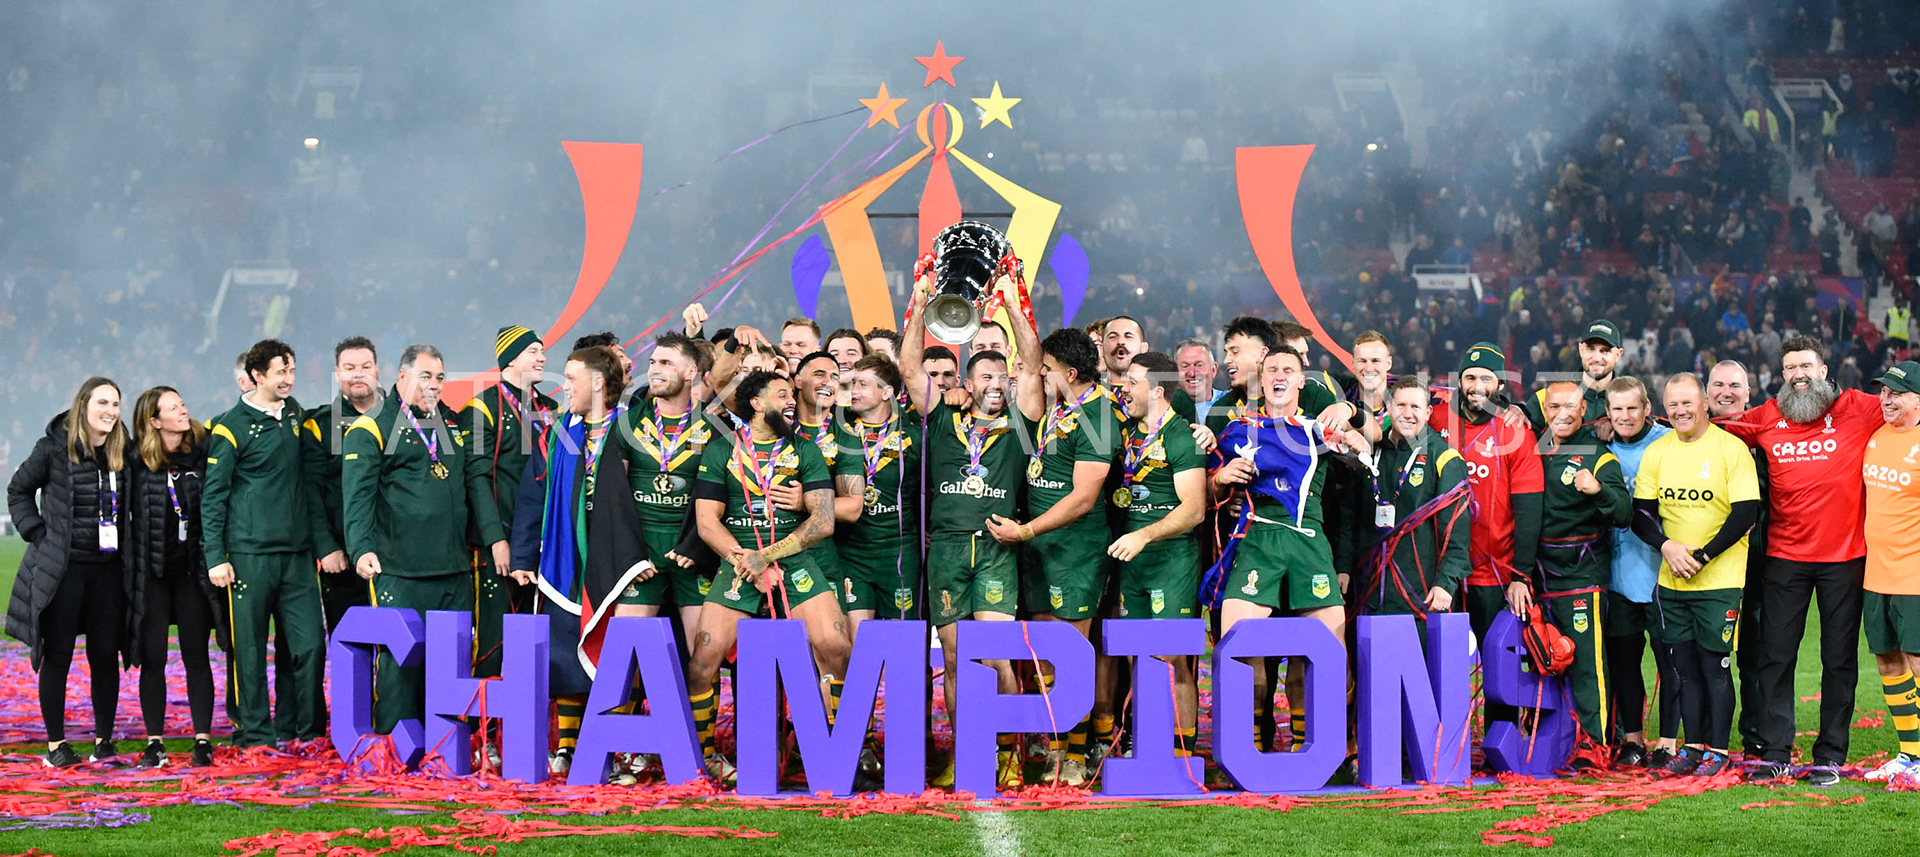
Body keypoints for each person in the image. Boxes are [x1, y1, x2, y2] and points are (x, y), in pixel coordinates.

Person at [1716, 337, 1880, 784]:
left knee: (1839, 659)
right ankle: (1774, 752)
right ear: (1782, 374)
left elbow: (1905, 407)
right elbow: (1712, 428)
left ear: (1824, 370)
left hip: (1845, 558)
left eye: (1806, 365)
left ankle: (1829, 755)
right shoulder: (1768, 415)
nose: (1798, 374)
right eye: (1790, 368)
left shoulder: (1858, 408)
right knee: (1776, 656)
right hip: (1784, 559)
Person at [901, 270, 1037, 791]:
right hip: (947, 548)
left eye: (1003, 378)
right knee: (956, 657)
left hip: (997, 547)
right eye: (985, 377)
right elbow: (910, 364)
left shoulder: (1020, 421)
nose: (996, 385)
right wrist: (917, 305)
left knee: (996, 653)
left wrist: (1012, 308)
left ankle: (1007, 753)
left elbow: (1032, 362)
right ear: (966, 383)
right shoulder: (938, 415)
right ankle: (966, 751)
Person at [1207, 346, 1366, 782]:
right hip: (1258, 539)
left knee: (1330, 650)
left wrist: (1354, 432)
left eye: (1288, 370)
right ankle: (1243, 752)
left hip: (1310, 543)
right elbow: (1206, 486)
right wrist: (1219, 477)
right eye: (1272, 369)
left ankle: (1319, 750)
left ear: (1302, 382)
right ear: (1262, 378)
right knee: (1237, 647)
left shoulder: (1317, 429)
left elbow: (1363, 449)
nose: (1279, 375)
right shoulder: (1237, 429)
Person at [687, 370, 851, 785]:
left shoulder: (805, 450)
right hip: (737, 560)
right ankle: (701, 758)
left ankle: (839, 748)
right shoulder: (721, 450)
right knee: (703, 660)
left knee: (836, 647)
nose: (792, 399)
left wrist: (769, 557)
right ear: (756, 404)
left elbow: (824, 522)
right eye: (782, 394)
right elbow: (707, 522)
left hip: (793, 559)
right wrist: (748, 562)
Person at [343, 345, 510, 737]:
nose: (434, 385)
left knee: (449, 664)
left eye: (439, 377)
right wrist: (360, 548)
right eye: (425, 376)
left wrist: (493, 538)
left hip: (452, 567)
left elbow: (474, 483)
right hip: (399, 569)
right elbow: (357, 498)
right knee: (401, 665)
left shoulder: (450, 425)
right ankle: (393, 746)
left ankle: (444, 743)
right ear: (401, 378)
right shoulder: (370, 429)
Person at [509, 346, 659, 781]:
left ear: (596, 382)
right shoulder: (557, 433)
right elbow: (533, 495)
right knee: (566, 649)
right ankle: (572, 747)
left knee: (618, 652)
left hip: (621, 560)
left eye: (571, 377)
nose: (564, 385)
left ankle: (618, 746)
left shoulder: (633, 428)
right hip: (567, 557)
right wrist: (523, 554)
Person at [990, 325, 1121, 787]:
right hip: (1039, 549)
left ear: (1068, 372)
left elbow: (1084, 497)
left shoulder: (1100, 416)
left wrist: (1025, 529)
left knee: (1071, 657)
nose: (1038, 375)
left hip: (1076, 551)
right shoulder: (1058, 410)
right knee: (1046, 657)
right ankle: (1053, 745)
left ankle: (1075, 755)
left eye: (1046, 370)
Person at [1631, 373, 1761, 778]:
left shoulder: (1731, 449)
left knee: (1715, 666)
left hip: (1719, 582)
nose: (1680, 411)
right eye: (1673, 405)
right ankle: (1691, 747)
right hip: (1672, 581)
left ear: (1705, 403)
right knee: (1683, 666)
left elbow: (1745, 514)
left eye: (1688, 403)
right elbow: (1641, 514)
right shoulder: (1659, 451)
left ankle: (1718, 750)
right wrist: (1667, 547)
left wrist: (1702, 556)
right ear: (1663, 408)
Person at [203, 340, 328, 749]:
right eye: (280, 372)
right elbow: (213, 497)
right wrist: (215, 557)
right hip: (248, 556)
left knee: (309, 645)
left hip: (297, 557)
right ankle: (254, 733)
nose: (289, 379)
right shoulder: (230, 426)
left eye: (291, 371)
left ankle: (303, 729)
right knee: (250, 651)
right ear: (257, 375)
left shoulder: (297, 416)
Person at [6, 377, 133, 767]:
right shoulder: (51, 449)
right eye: (102, 403)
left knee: (104, 657)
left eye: (115, 404)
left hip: (108, 572)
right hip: (63, 572)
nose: (110, 411)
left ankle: (103, 741)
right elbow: (18, 490)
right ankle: (55, 746)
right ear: (83, 405)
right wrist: (38, 533)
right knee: (57, 655)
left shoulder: (122, 452)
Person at [1107, 351, 1207, 756]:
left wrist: (1144, 535)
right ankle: (1148, 742)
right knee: (1136, 656)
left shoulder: (1182, 435)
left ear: (1158, 390)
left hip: (1171, 560)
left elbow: (1194, 508)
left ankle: (1182, 752)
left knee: (1172, 656)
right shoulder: (1125, 433)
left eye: (1133, 382)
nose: (1125, 388)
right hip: (1132, 560)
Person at [1524, 382, 1632, 758]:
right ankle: (1550, 742)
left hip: (1581, 577)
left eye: (1571, 406)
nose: (1563, 414)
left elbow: (1623, 513)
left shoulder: (1598, 456)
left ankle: (1597, 745)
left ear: (1584, 409)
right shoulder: (1534, 449)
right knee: (1542, 660)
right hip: (1538, 577)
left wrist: (1599, 490)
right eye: (1554, 406)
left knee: (1588, 665)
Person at [127, 386, 220, 769]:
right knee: (153, 659)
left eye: (183, 403)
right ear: (153, 421)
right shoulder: (133, 460)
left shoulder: (203, 448)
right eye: (173, 407)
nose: (183, 410)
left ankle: (202, 740)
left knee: (196, 656)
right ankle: (155, 742)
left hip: (190, 574)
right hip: (152, 576)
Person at [615, 332, 721, 650]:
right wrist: (630, 556)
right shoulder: (627, 424)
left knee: (704, 654)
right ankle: (626, 702)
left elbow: (723, 499)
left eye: (666, 363)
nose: (655, 370)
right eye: (652, 362)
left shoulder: (716, 430)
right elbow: (615, 499)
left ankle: (700, 702)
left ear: (690, 372)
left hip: (691, 551)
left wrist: (698, 549)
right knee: (623, 649)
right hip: (643, 552)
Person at [463, 326, 555, 679]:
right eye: (533, 350)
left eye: (542, 351)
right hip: (499, 542)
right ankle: (483, 728)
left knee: (536, 636)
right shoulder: (481, 407)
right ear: (511, 358)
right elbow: (477, 478)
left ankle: (526, 723)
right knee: (494, 634)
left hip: (541, 542)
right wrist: (495, 540)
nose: (542, 357)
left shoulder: (551, 408)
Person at [1603, 377, 1679, 768]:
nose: (1625, 416)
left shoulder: (1669, 443)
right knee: (1625, 662)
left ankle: (1667, 742)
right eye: (1617, 409)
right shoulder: (1599, 447)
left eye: (1632, 408)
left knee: (1670, 661)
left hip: (1664, 573)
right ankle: (1632, 740)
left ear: (1648, 408)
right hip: (1617, 572)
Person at [1352, 376, 1471, 621]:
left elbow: (1456, 532)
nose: (1407, 413)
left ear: (1428, 412)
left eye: (1415, 407)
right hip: (1369, 592)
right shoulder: (1369, 451)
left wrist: (1445, 583)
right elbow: (1349, 517)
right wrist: (1343, 568)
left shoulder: (1445, 458)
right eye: (1401, 405)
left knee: (1418, 659)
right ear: (1388, 408)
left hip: (1421, 596)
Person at [1705, 359, 1769, 757]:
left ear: (1749, 394)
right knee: (1707, 652)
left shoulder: (1768, 437)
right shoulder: (1688, 436)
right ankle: (1706, 739)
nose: (1726, 392)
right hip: (1706, 562)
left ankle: (1757, 736)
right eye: (1718, 385)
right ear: (1706, 393)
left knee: (1756, 652)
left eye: (1735, 385)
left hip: (1762, 560)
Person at [1860, 360, 1920, 781]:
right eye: (1883, 392)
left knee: (1917, 660)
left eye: (1897, 393)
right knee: (1888, 662)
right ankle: (1910, 754)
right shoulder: (1876, 437)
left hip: (1914, 574)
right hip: (1875, 573)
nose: (1887, 400)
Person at [832, 355, 922, 632]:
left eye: (863, 384)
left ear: (887, 392)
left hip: (898, 553)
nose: (855, 391)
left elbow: (927, 489)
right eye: (853, 384)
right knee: (857, 646)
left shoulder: (914, 435)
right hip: (852, 553)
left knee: (901, 647)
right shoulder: (839, 427)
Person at [302, 337, 380, 636]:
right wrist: (326, 547)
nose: (358, 374)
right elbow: (311, 494)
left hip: (398, 558)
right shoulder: (319, 425)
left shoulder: (401, 419)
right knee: (351, 648)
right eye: (350, 368)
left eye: (365, 366)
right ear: (337, 374)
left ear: (377, 370)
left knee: (403, 653)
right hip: (342, 560)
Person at [1522, 320, 1622, 433]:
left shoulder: (1630, 398)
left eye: (1605, 351)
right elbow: (1521, 430)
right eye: (1591, 349)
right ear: (1581, 350)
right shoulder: (1553, 393)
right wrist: (1517, 410)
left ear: (1618, 354)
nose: (1597, 358)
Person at [1349, 331, 1396, 443]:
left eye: (1376, 361)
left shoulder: (1403, 410)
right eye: (1362, 361)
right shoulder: (1341, 402)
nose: (1369, 368)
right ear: (1353, 363)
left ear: (1388, 363)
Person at [1173, 338, 1226, 411]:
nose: (1192, 373)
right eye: (1185, 366)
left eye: (1199, 365)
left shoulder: (1234, 403)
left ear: (1213, 370)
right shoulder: (1163, 409)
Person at [1101, 315, 1148, 388]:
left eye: (1128, 336)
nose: (1120, 341)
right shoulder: (1084, 395)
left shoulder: (1161, 395)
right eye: (1113, 337)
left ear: (1144, 348)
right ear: (1102, 348)